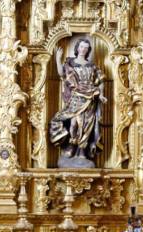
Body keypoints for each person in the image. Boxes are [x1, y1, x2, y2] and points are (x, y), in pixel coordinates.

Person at [49, 37, 106, 168]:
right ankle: (71, 147)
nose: (83, 50)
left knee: (87, 125)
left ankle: (82, 152)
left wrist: (101, 94)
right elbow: (61, 74)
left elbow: (101, 81)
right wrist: (58, 59)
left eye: (86, 48)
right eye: (81, 47)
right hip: (76, 97)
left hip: (90, 97)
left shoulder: (92, 66)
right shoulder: (70, 63)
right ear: (77, 48)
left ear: (88, 50)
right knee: (73, 123)